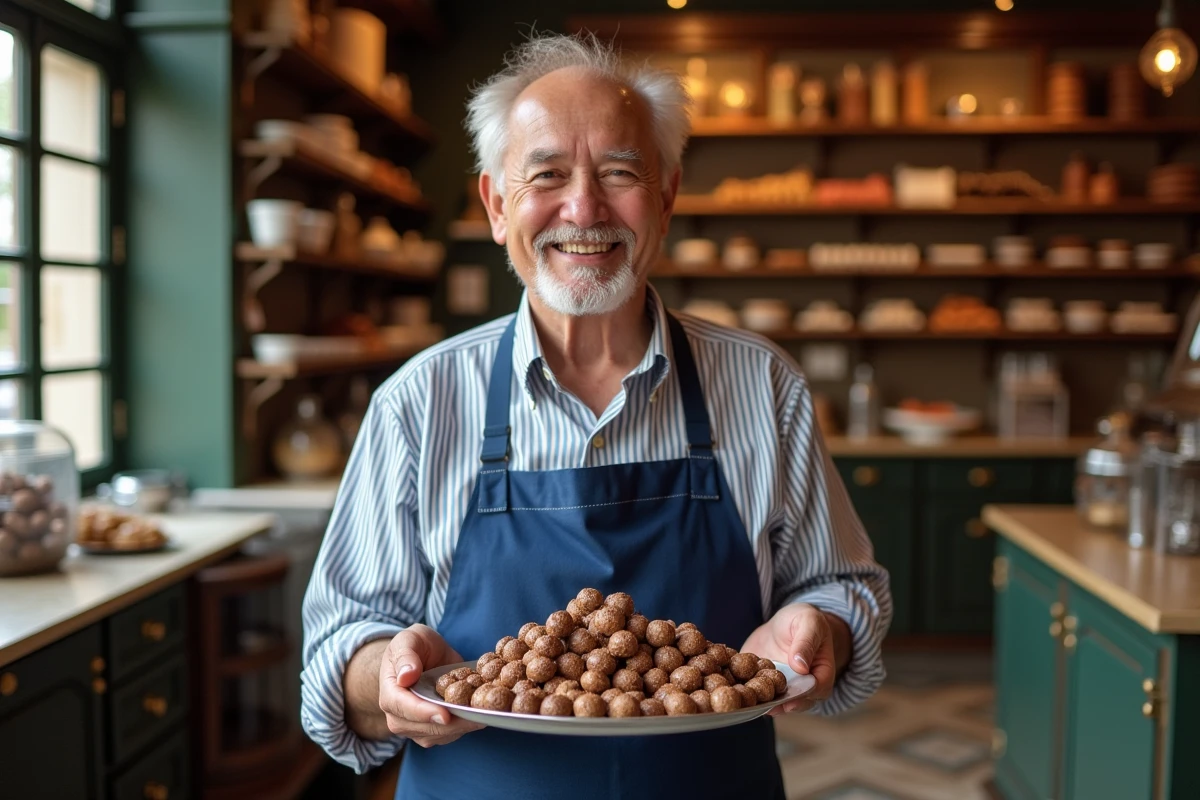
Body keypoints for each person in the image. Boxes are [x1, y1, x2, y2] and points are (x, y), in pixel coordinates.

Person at [301, 32, 891, 799]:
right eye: (547, 174)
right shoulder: (418, 403)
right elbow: (337, 650)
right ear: (496, 204)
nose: (583, 208)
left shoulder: (763, 385)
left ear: (666, 199)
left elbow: (841, 584)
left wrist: (820, 626)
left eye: (619, 173)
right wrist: (385, 672)